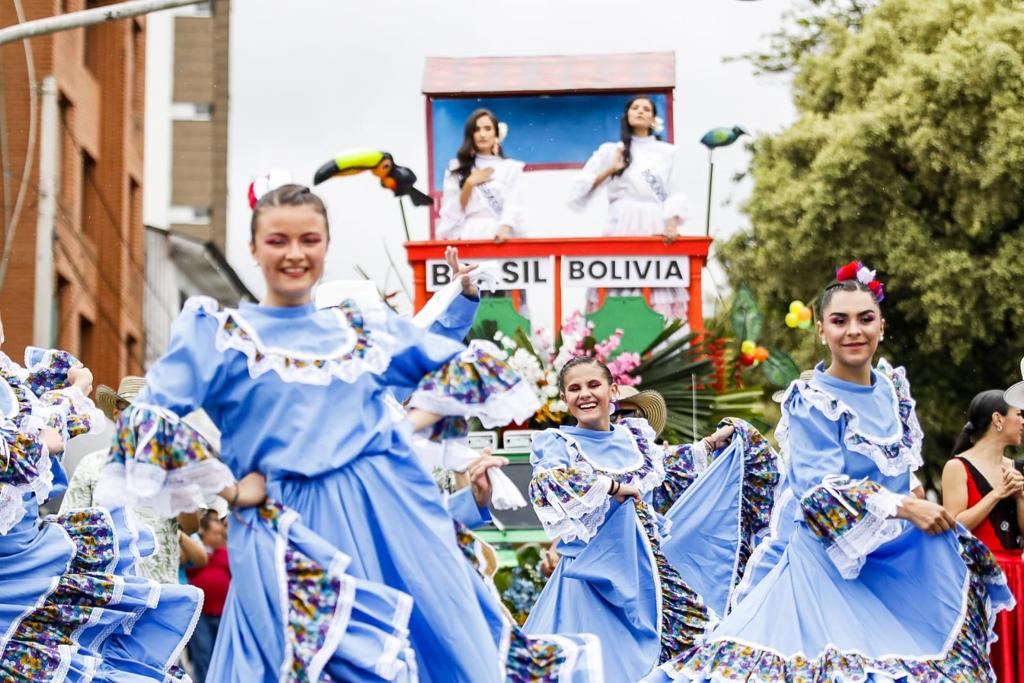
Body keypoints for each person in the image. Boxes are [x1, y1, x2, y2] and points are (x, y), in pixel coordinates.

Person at [96, 183, 542, 682]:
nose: (295, 253)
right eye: (278, 240)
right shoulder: (223, 336)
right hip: (285, 531)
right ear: (253, 247)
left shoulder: (359, 333)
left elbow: (451, 364)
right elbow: (147, 415)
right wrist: (230, 488)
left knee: (423, 651)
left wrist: (391, 430)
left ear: (326, 245)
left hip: (385, 520)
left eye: (309, 239)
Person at [649, 260, 1015, 682]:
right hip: (826, 564)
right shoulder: (812, 400)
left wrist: (914, 504)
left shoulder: (893, 390)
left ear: (882, 326)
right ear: (822, 331)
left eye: (865, 319)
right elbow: (818, 492)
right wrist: (905, 507)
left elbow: (901, 471)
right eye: (840, 321)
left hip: (892, 564)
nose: (853, 330)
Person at [523, 355, 776, 681]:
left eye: (593, 384)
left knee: (676, 656)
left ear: (613, 390)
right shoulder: (557, 443)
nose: (584, 394)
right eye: (575, 388)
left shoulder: (633, 439)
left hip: (647, 577)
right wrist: (611, 487)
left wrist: (711, 444)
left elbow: (666, 470)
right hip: (592, 582)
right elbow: (550, 481)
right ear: (564, 398)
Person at [0, 332, 201, 681]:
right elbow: (70, 513)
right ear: (118, 413)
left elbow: (192, 526)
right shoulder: (94, 464)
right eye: (130, 410)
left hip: (153, 583)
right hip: (103, 581)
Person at [568, 95, 690, 319]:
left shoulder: (666, 152)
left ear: (653, 119)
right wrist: (611, 169)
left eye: (646, 109)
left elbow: (675, 193)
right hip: (621, 222)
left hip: (653, 221)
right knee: (617, 278)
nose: (640, 111)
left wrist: (672, 224)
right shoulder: (612, 150)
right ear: (627, 115)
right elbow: (579, 190)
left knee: (655, 280)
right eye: (635, 107)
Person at [942, 389, 1024, 682]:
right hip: (978, 578)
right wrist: (998, 494)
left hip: (1016, 575)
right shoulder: (957, 466)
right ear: (998, 419)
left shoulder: (1017, 468)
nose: (1023, 422)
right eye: (1019, 415)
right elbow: (954, 525)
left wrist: (1020, 497)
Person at [437, 108, 524, 242]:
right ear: (470, 134)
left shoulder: (510, 167)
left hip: (500, 235)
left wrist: (504, 229)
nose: (482, 134)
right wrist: (470, 183)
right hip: (469, 234)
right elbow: (452, 210)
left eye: (487, 129)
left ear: (496, 133)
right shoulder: (457, 167)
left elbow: (513, 203)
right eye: (476, 129)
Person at [187, 510, 232, 683]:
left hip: (223, 613)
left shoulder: (226, 552)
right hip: (201, 614)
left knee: (222, 655)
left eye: (221, 532)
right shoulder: (196, 552)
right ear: (204, 533)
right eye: (215, 533)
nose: (220, 536)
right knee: (203, 654)